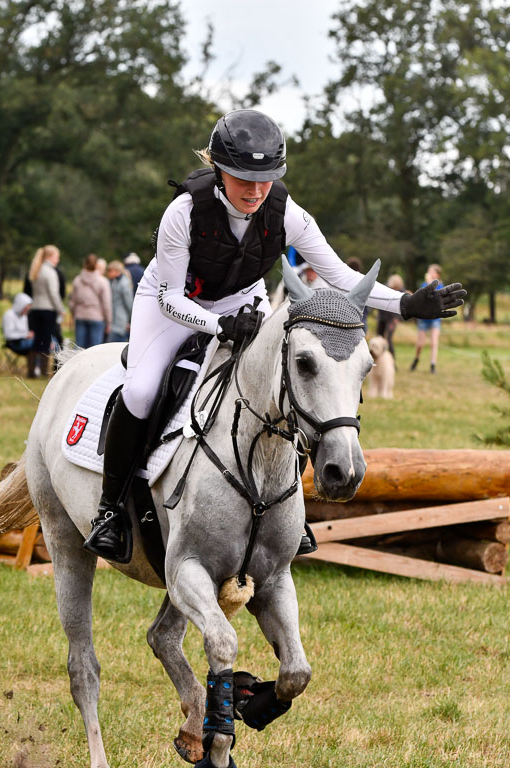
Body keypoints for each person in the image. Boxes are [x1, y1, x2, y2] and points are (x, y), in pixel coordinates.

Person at [83, 109, 466, 563]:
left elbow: (340, 274)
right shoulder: (183, 213)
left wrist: (404, 304)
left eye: (266, 178)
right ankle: (110, 512)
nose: (256, 190)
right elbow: (168, 298)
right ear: (218, 170)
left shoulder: (289, 214)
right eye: (244, 178)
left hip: (243, 300)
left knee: (282, 385)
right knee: (144, 390)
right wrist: (218, 326)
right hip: (173, 304)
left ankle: (287, 510)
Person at [28, 244, 66, 376]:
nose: (58, 259)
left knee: (37, 340)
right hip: (47, 310)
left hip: (35, 309)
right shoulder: (50, 272)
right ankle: (44, 371)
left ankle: (32, 371)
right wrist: (60, 309)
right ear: (50, 256)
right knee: (46, 340)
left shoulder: (36, 269)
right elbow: (53, 294)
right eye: (57, 256)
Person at [69, 253, 112, 348]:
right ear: (97, 265)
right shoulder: (102, 281)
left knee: (79, 349)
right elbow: (106, 304)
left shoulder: (77, 280)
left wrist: (74, 314)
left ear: (84, 264)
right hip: (96, 317)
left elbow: (73, 301)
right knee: (94, 350)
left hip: (80, 316)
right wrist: (108, 321)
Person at [409, 264, 444, 374]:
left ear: (437, 274)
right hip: (423, 318)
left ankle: (433, 365)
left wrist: (430, 283)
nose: (429, 273)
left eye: (431, 271)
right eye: (428, 270)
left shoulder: (440, 285)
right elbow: (422, 298)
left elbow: (435, 298)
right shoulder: (424, 285)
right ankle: (416, 359)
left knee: (434, 342)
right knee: (420, 344)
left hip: (435, 318)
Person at [2, 293, 37, 375]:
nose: (27, 310)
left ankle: (34, 369)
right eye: (26, 308)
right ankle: (34, 370)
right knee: (37, 343)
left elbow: (24, 331)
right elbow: (9, 335)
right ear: (21, 305)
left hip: (25, 342)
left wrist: (29, 334)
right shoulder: (9, 315)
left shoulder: (24, 316)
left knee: (42, 342)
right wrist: (26, 335)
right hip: (14, 343)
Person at [376, 273, 405, 359]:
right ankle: (378, 358)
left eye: (397, 288)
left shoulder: (401, 290)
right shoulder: (384, 288)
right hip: (382, 316)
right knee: (379, 337)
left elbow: (402, 305)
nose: (396, 289)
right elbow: (378, 301)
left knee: (389, 339)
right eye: (394, 287)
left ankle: (392, 361)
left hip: (392, 318)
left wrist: (396, 318)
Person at [106, 261, 134, 342]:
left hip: (120, 323)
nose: (108, 273)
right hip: (114, 322)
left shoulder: (124, 283)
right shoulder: (114, 281)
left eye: (109, 271)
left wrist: (129, 321)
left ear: (116, 271)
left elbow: (129, 303)